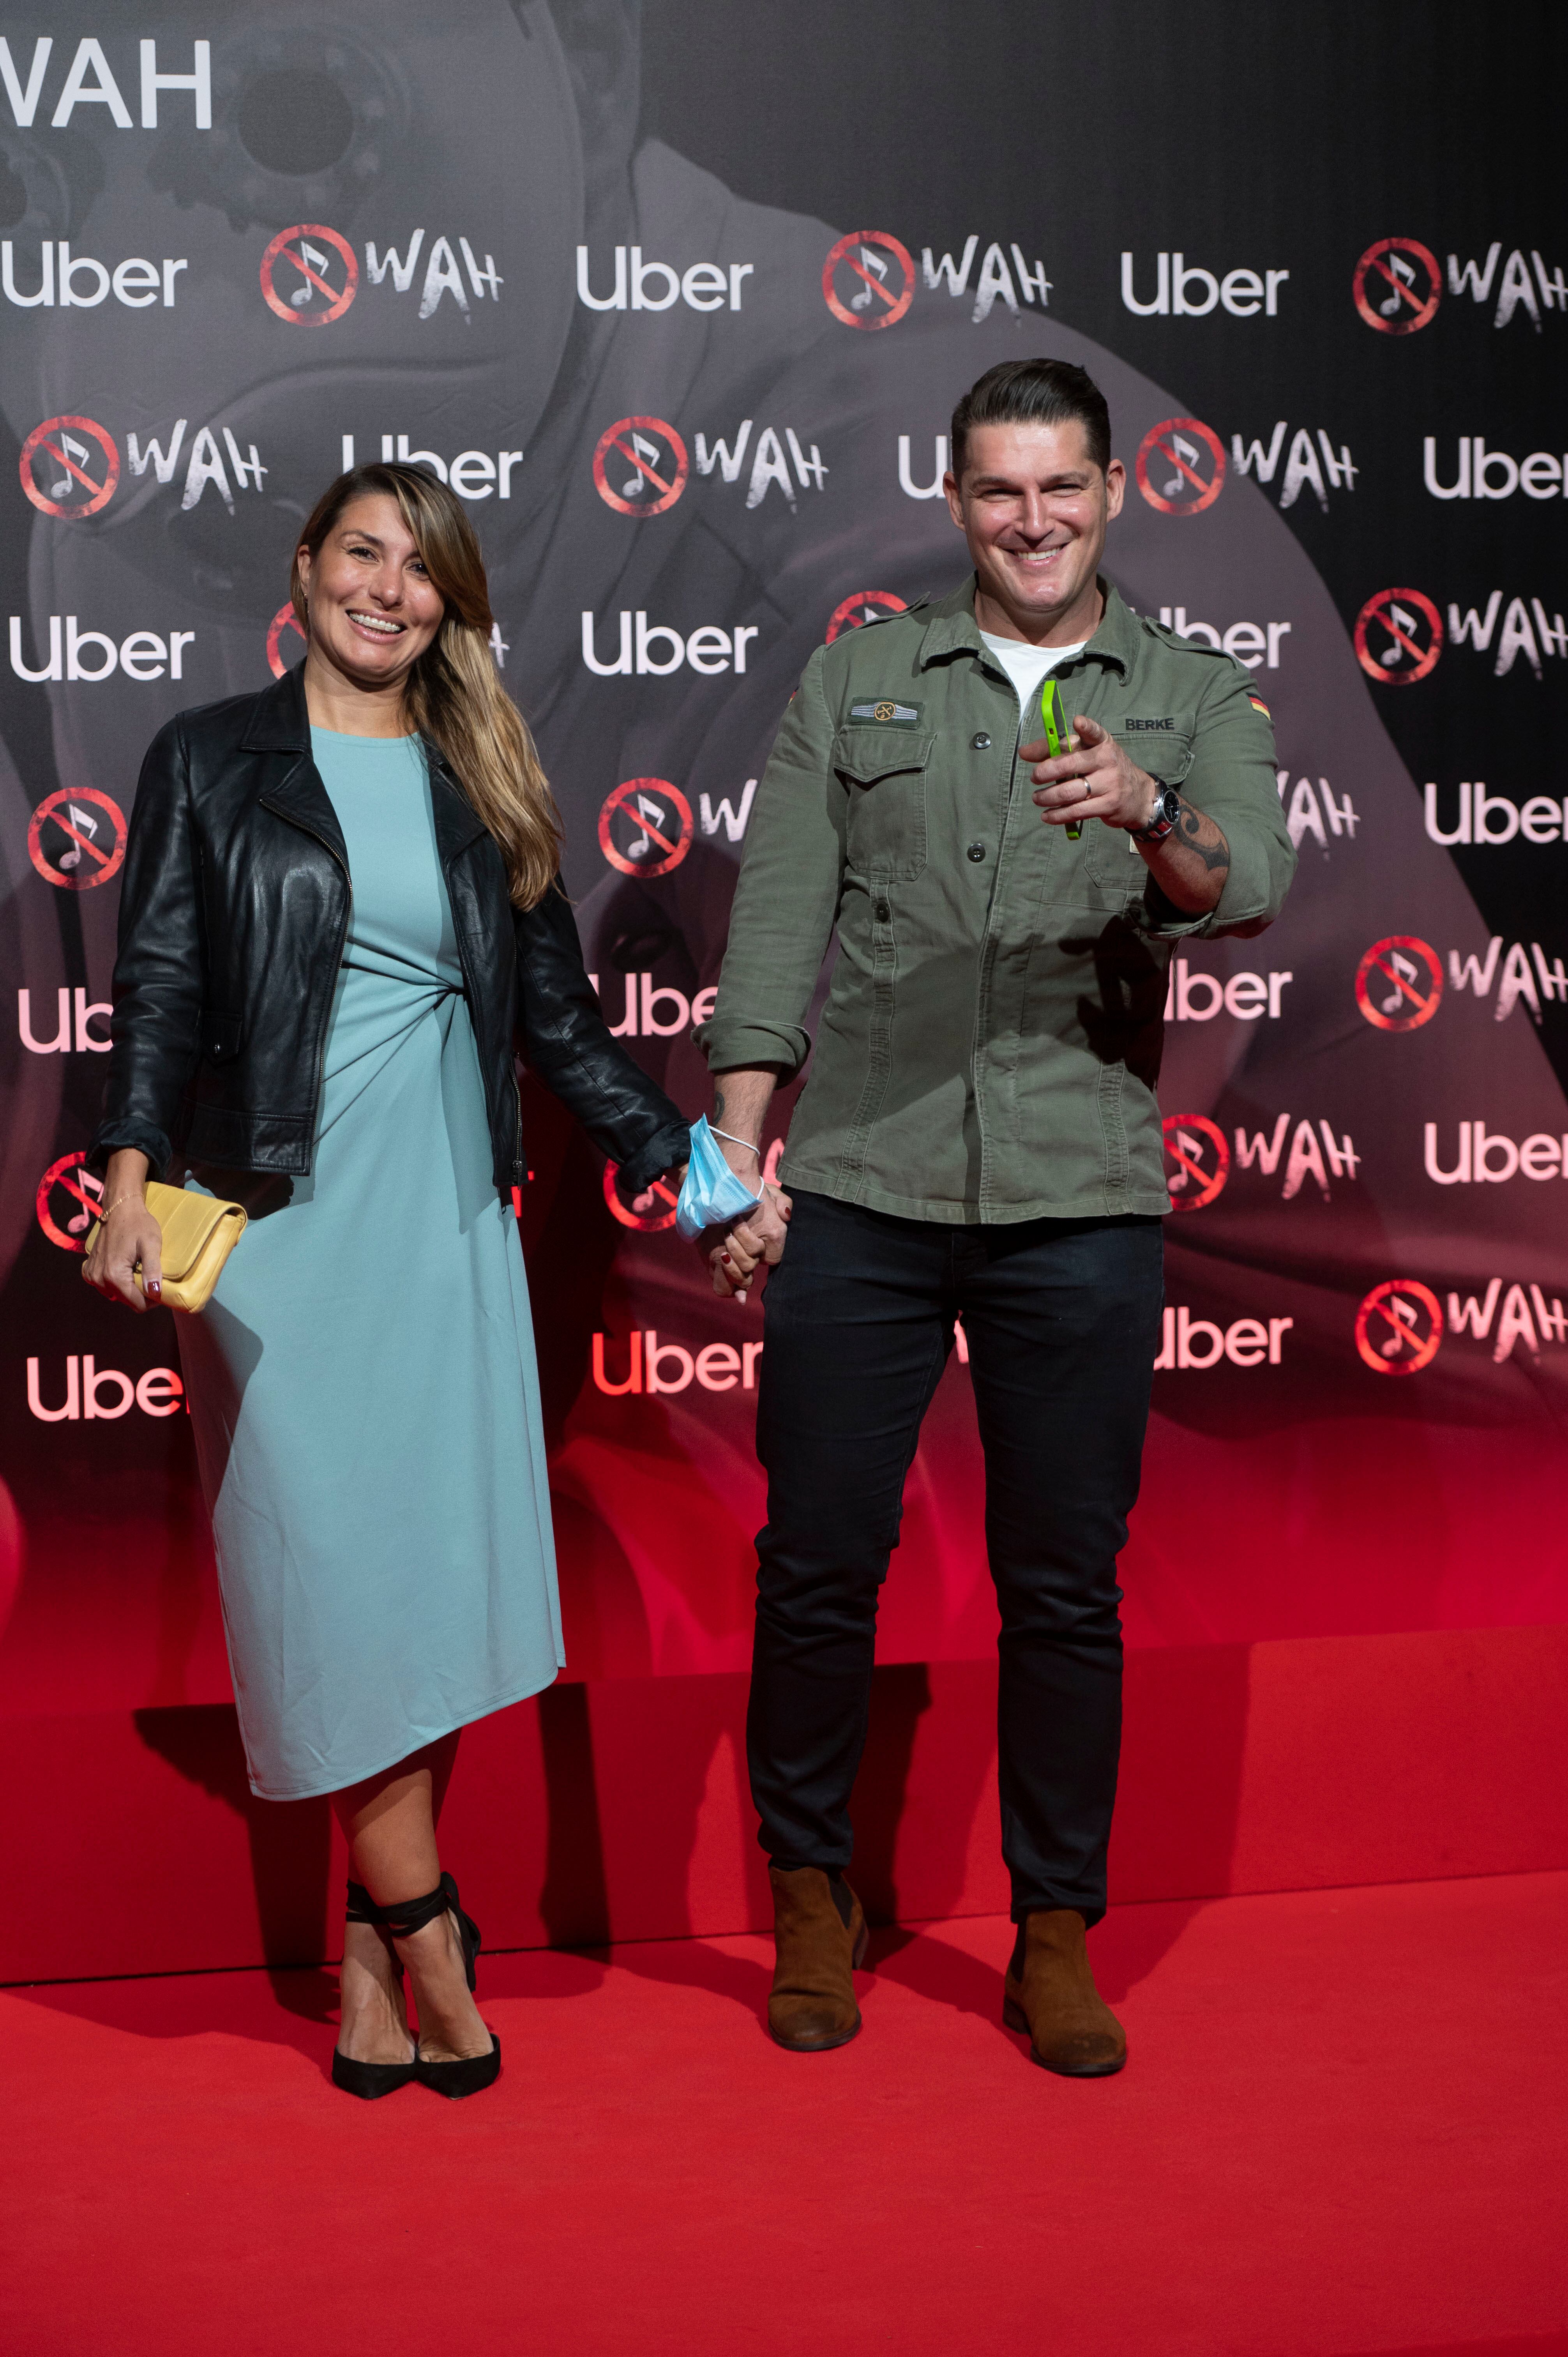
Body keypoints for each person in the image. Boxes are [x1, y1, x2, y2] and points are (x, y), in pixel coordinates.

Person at [696, 358, 1296, 2074]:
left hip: (1079, 1196)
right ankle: (813, 1898)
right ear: (954, 502)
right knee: (815, 1567)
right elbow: (774, 932)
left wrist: (1148, 811)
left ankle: (1053, 1932)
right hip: (865, 1186)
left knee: (1065, 1585)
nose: (1031, 521)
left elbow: (1242, 887)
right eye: (997, 492)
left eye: (1061, 488)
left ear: (1112, 493)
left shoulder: (1190, 695)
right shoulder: (859, 678)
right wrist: (743, 1153)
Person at [83, 463, 689, 2099]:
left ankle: (367, 1953)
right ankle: (427, 1921)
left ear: (451, 602)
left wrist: (683, 1165)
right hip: (280, 1228)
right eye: (363, 552)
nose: (389, 589)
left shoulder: (478, 771)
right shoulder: (211, 757)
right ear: (304, 566)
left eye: (423, 570)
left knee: (422, 1581)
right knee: (330, 1573)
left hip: (440, 1224)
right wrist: (129, 1177)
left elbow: (559, 1018)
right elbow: (154, 986)